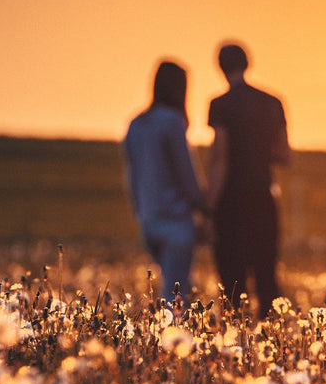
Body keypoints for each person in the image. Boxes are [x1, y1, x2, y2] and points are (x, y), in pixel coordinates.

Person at [206, 43, 290, 318]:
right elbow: (285, 155)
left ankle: (235, 334)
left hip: (231, 202)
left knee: (232, 279)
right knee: (266, 273)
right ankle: (272, 332)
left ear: (220, 66)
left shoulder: (220, 105)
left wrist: (209, 207)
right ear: (247, 63)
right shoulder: (273, 102)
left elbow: (219, 160)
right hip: (264, 197)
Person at [123, 60, 207, 302]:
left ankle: (170, 325)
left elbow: (132, 176)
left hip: (148, 220)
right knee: (176, 294)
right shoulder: (172, 121)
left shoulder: (136, 124)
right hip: (176, 222)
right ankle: (175, 328)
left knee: (173, 287)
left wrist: (140, 211)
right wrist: (203, 205)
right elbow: (186, 172)